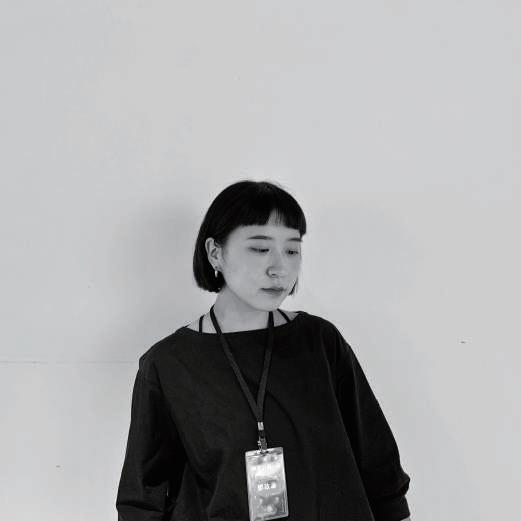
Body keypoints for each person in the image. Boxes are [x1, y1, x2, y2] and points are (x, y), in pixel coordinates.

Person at [115, 180, 412, 521]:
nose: (279, 268)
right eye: (259, 249)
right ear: (215, 253)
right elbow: (143, 498)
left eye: (292, 251)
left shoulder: (320, 342)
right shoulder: (168, 364)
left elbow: (377, 461)